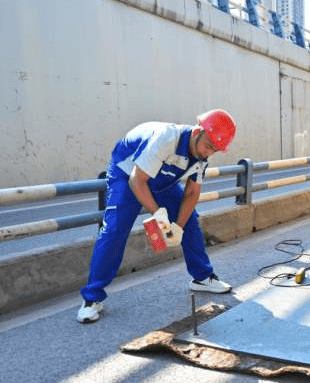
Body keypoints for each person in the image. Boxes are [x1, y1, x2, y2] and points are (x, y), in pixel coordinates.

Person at [77, 109, 236, 323]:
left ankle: (202, 277)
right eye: (208, 146)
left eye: (215, 150)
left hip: (161, 178)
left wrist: (177, 227)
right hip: (128, 172)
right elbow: (137, 180)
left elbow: (192, 192)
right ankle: (92, 298)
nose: (209, 153)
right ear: (198, 131)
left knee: (189, 220)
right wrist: (158, 214)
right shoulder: (166, 138)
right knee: (114, 230)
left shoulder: (201, 154)